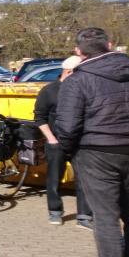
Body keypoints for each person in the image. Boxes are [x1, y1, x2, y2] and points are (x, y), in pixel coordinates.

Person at [55, 27, 129, 257]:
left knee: (105, 217)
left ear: (78, 52)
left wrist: (69, 154)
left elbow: (67, 127)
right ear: (111, 45)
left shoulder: (76, 81)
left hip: (97, 152)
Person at [34, 56, 92, 227]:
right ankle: (55, 212)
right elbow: (40, 117)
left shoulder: (83, 90)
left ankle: (84, 216)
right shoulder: (49, 91)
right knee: (53, 179)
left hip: (80, 143)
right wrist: (51, 139)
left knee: (84, 180)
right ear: (68, 72)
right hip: (56, 142)